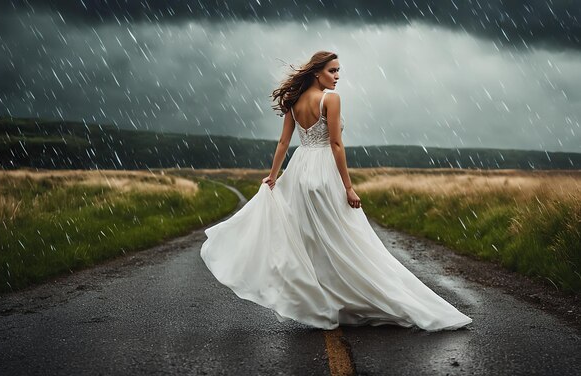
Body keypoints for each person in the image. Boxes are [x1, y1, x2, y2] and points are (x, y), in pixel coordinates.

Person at [200, 51, 472, 331]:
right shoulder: (330, 99)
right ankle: (369, 297)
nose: (337, 77)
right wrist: (349, 187)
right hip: (323, 172)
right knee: (351, 239)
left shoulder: (294, 102)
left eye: (339, 71)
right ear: (317, 73)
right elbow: (336, 145)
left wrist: (273, 176)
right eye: (332, 71)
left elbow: (283, 143)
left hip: (299, 170)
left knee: (315, 240)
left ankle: (329, 300)